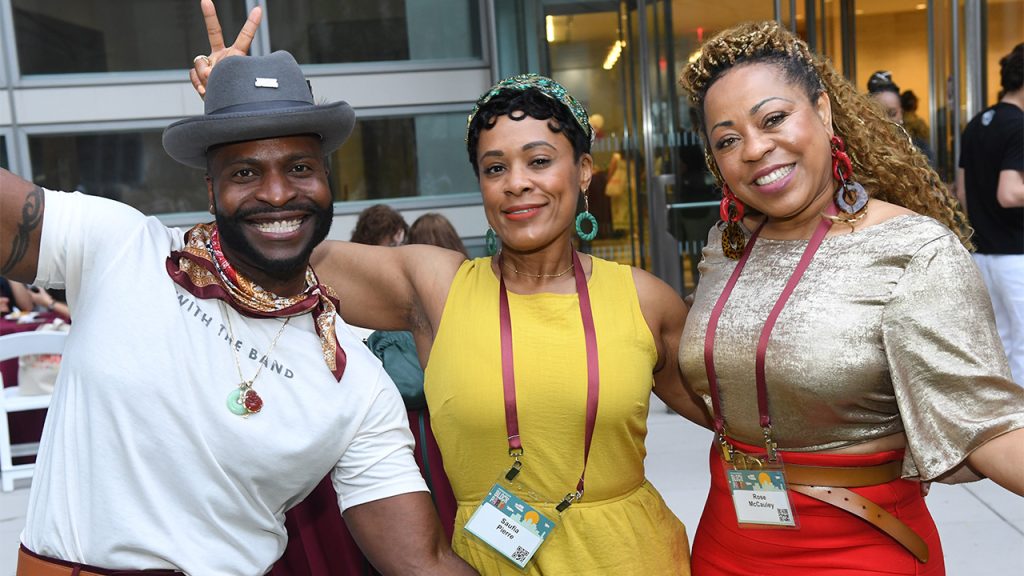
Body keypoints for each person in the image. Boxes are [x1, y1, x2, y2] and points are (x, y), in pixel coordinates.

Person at [203, 13, 710, 566]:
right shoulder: (435, 286)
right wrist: (245, 117)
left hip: (632, 557)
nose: (517, 182)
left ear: (584, 171)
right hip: (487, 559)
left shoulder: (644, 299)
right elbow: (276, 243)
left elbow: (740, 422)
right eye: (495, 168)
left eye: (539, 161)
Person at [0, 10, 475, 575]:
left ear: (328, 182)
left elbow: (422, 562)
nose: (277, 194)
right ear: (211, 189)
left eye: (299, 167)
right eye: (245, 173)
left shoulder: (357, 384)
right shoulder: (119, 247)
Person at [678, 20, 1024, 575]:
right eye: (727, 139)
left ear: (823, 109)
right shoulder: (727, 245)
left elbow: (990, 424)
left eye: (773, 118)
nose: (755, 148)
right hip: (727, 538)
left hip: (860, 545)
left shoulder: (913, 249)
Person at [956, 43, 1024, 386]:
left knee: (999, 345)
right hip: (1016, 255)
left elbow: (963, 190)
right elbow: (1010, 192)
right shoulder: (1020, 126)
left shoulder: (977, 123)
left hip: (983, 253)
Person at [868, 71, 934, 165]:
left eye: (892, 114)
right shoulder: (863, 152)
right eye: (879, 115)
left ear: (901, 112)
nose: (887, 121)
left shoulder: (919, 151)